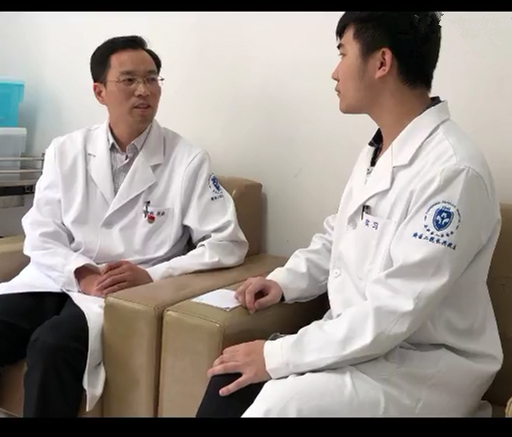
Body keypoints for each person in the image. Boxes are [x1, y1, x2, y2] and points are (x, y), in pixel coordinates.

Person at [195, 12, 503, 417]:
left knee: (277, 405)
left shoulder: (452, 172)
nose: (335, 72)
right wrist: (285, 281)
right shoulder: (382, 149)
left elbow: (395, 310)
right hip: (364, 345)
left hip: (421, 365)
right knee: (228, 381)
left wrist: (276, 356)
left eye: (343, 53)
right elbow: (340, 234)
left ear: (381, 62)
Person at [0, 35, 249, 417]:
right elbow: (42, 230)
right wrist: (79, 272)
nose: (143, 90)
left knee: (52, 348)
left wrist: (152, 275)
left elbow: (227, 243)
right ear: (100, 92)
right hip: (57, 278)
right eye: (129, 80)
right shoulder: (66, 150)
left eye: (151, 78)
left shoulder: (187, 160)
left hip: (121, 294)